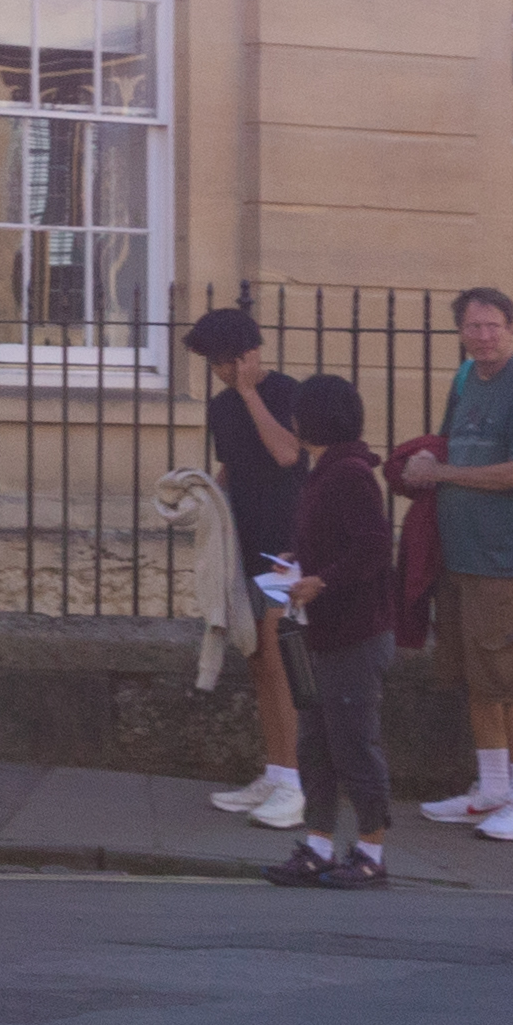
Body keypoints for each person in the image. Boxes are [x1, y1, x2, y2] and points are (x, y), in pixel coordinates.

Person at [403, 283, 513, 842]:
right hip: (458, 553)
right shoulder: (466, 379)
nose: (484, 336)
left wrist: (442, 473)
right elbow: (450, 445)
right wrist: (426, 458)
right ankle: (493, 789)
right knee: (476, 674)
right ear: (461, 332)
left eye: (493, 325)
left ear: (512, 328)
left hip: (501, 556)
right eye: (473, 326)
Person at [266, 374, 399, 888]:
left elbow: (371, 548)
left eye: (298, 412)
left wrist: (323, 580)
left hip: (355, 635)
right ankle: (319, 844)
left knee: (354, 744)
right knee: (316, 744)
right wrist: (299, 560)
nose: (292, 421)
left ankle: (371, 851)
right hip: (325, 633)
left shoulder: (348, 474)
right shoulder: (328, 471)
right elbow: (338, 540)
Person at [186, 306, 312, 830]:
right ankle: (276, 770)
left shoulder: (287, 394)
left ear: (252, 352)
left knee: (280, 654)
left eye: (230, 361)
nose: (223, 372)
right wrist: (201, 496)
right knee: (258, 657)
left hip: (288, 546)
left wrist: (250, 393)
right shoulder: (220, 407)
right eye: (215, 364)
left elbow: (287, 454)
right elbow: (233, 467)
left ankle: (295, 785)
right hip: (247, 540)